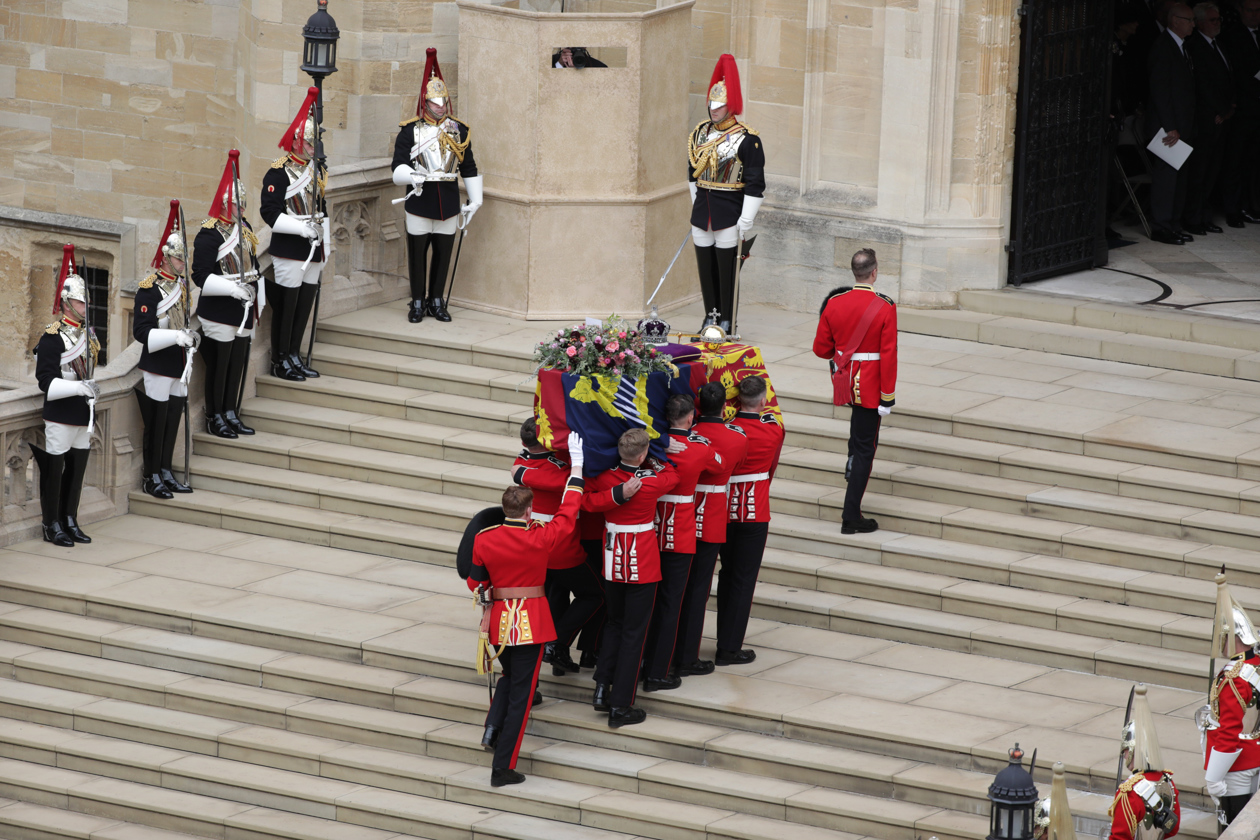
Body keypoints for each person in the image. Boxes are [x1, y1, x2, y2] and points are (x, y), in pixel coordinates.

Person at [470, 432, 586, 787]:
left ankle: (492, 731)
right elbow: (568, 513)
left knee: (510, 679)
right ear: (529, 509)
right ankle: (503, 767)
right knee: (522, 693)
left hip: (498, 622)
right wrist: (577, 468)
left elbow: (476, 583)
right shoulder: (539, 536)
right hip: (531, 624)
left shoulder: (484, 538)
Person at [583, 428, 679, 727]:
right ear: (642, 454)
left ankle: (602, 686)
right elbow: (673, 474)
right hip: (642, 562)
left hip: (613, 560)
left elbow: (586, 501)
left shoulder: (605, 479)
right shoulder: (649, 482)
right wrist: (653, 459)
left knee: (615, 623)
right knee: (634, 634)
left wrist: (615, 492)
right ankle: (621, 705)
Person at [391, 48, 483, 324]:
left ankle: (437, 301)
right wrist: (411, 177)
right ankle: (417, 301)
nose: (440, 107)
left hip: (449, 201)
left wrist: (475, 200)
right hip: (419, 201)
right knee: (417, 255)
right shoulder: (409, 131)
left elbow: (468, 167)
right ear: (426, 103)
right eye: (435, 103)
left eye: (444, 102)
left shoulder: (459, 130)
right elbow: (397, 167)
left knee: (443, 255)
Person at [812, 248, 897, 535]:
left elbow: (821, 349)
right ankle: (851, 515)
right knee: (865, 448)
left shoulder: (835, 302)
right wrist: (888, 396)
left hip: (846, 381)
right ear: (874, 272)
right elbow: (889, 355)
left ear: (854, 272)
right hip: (871, 385)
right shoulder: (884, 306)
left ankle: (851, 461)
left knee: (858, 435)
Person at [640, 394, 722, 690]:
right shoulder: (698, 448)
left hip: (649, 527)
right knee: (671, 602)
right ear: (690, 418)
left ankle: (643, 663)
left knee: (645, 604)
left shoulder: (650, 446)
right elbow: (718, 466)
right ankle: (660, 669)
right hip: (681, 531)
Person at [511, 418, 603, 677]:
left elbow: (521, 469)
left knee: (556, 595)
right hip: (561, 545)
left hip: (535, 545)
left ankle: (556, 649)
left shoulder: (520, 465)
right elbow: (584, 484)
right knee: (596, 593)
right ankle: (557, 643)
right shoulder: (562, 470)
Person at [673, 382, 748, 677]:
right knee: (698, 589)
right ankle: (687, 653)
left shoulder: (684, 435)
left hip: (680, 512)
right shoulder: (736, 437)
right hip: (712, 512)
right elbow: (736, 465)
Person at [688, 53, 765, 334]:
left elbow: (756, 184)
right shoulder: (699, 133)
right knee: (705, 270)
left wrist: (747, 219)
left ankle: (726, 320)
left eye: (719, 105)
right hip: (703, 210)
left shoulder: (748, 139)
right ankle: (710, 316)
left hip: (729, 211)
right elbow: (692, 173)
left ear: (730, 105)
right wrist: (696, 206)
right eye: (712, 104)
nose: (714, 110)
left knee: (726, 272)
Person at [31, 244, 99, 547]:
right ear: (67, 303)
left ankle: (70, 518)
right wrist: (76, 387)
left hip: (83, 414)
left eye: (85, 303)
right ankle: (52, 523)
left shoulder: (89, 333)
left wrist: (87, 389)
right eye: (80, 303)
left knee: (77, 470)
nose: (85, 307)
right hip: (60, 413)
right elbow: (45, 381)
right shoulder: (51, 337)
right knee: (55, 472)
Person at [717, 376, 784, 665]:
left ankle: (723, 639)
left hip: (721, 511)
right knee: (743, 581)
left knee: (726, 575)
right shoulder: (772, 430)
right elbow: (771, 466)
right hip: (754, 511)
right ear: (763, 400)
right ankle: (729, 647)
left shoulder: (728, 431)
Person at [194, 149, 260, 440]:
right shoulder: (209, 234)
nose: (241, 211)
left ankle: (231, 411)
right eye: (237, 205)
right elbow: (201, 275)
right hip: (220, 309)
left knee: (237, 365)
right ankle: (215, 415)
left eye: (243, 205)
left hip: (243, 309)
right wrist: (233, 289)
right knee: (219, 367)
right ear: (224, 204)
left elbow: (253, 266)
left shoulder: (244, 230)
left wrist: (255, 296)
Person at [133, 200, 197, 499]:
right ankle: (152, 474)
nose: (185, 265)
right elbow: (142, 332)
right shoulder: (150, 288)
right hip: (158, 363)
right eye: (180, 260)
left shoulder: (182, 286)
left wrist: (189, 339)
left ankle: (167, 470)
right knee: (156, 421)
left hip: (180, 363)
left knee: (173, 419)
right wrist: (175, 339)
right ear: (167, 259)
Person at [262, 86, 325, 382]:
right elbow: (270, 213)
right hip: (290, 247)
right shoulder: (278, 173)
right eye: (310, 144)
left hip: (314, 248)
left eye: (316, 144)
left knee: (304, 303)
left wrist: (321, 233)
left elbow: (320, 206)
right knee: (287, 306)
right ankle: (280, 358)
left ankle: (295, 354)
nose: (314, 149)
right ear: (298, 142)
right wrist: (302, 228)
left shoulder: (317, 170)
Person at [1201, 575, 1260, 823]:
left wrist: (1213, 777)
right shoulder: (1255, 664)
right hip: (1255, 754)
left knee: (1234, 826)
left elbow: (1230, 731)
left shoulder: (1233, 678)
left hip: (1236, 766)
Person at [1145, 3, 1198, 244]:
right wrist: (1169, 126)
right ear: (1174, 20)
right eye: (1189, 20)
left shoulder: (1181, 47)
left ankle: (1173, 224)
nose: (1193, 25)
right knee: (1166, 179)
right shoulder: (1163, 47)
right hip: (1169, 128)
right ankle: (1161, 226)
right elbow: (1160, 91)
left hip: (1183, 124)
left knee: (1180, 177)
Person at [1183, 3, 1235, 236]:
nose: (1217, 23)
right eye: (1213, 20)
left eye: (1219, 20)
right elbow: (1203, 85)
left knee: (1212, 172)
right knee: (1199, 172)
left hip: (1221, 118)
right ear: (1201, 22)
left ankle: (1204, 216)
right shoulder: (1195, 47)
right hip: (1206, 119)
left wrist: (1230, 108)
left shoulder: (1219, 45)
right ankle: (1193, 218)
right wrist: (1222, 109)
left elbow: (1229, 80)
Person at [1110, 685, 1180, 840]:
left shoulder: (1130, 793)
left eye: (1126, 749)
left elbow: (1120, 837)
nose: (1124, 754)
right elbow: (1172, 828)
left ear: (1135, 750)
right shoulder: (1168, 781)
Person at [1220, 0, 1260, 228]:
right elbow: (1238, 74)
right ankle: (1232, 209)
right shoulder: (1233, 36)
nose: (1254, 15)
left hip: (1257, 112)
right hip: (1243, 110)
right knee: (1234, 161)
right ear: (1240, 11)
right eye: (1250, 10)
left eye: (1258, 11)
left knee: (1253, 162)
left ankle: (1250, 205)